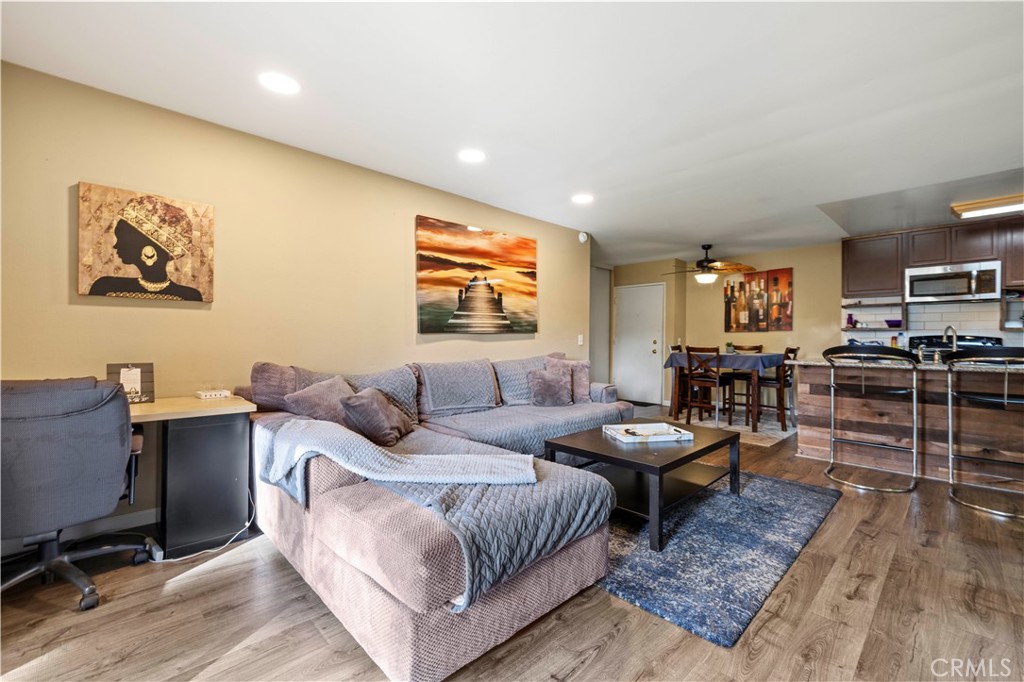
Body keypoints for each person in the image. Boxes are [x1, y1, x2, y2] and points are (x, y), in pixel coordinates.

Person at [88, 195, 203, 301]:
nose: (116, 246)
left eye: (122, 239)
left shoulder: (190, 296)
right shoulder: (105, 286)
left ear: (149, 250)